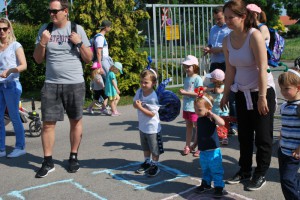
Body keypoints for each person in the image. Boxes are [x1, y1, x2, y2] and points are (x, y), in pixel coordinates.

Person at [220, 0, 276, 191]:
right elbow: (229, 70)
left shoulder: (255, 35)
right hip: (241, 93)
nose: (227, 21)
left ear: (243, 16)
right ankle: (244, 170)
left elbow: (262, 68)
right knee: (244, 136)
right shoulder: (226, 40)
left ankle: (260, 173)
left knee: (262, 137)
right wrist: (226, 95)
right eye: (225, 17)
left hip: (262, 92)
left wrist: (261, 96)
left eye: (230, 17)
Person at [33, 0, 93, 178]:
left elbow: (89, 58)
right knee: (48, 124)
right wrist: (42, 43)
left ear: (65, 11)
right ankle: (47, 161)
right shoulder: (45, 29)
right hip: (51, 83)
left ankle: (73, 157)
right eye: (49, 11)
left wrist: (79, 42)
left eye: (54, 11)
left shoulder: (77, 28)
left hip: (74, 83)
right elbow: (37, 59)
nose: (51, 14)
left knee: (75, 121)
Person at [0, 18, 27, 158]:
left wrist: (10, 71)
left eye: (4, 28)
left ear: (9, 29)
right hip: (0, 86)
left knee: (14, 116)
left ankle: (20, 146)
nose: (2, 31)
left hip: (12, 85)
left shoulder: (16, 45)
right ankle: (1, 148)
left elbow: (24, 65)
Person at [193, 92, 225, 197]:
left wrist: (213, 115)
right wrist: (194, 144)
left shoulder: (211, 118)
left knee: (216, 170)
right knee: (205, 169)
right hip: (203, 151)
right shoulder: (199, 119)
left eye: (199, 110)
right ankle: (206, 184)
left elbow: (222, 123)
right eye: (195, 109)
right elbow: (198, 133)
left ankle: (219, 187)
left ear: (208, 108)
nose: (196, 112)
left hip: (213, 151)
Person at [133, 68, 163, 177]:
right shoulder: (139, 92)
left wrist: (140, 107)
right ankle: (147, 162)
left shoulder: (153, 97)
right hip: (142, 126)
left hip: (152, 128)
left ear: (153, 83)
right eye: (141, 81)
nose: (143, 84)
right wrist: (136, 104)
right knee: (145, 146)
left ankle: (155, 164)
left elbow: (152, 114)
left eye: (146, 82)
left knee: (154, 148)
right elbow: (134, 104)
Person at [277, 67, 300, 200]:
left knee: (287, 180)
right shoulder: (284, 106)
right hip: (283, 149)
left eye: (287, 89)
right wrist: (281, 137)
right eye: (281, 88)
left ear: (298, 88)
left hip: (294, 152)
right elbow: (286, 124)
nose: (283, 92)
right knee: (287, 179)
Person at [179, 55, 203, 157]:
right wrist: (184, 93)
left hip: (195, 108)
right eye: (185, 66)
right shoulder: (187, 78)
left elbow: (200, 93)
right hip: (186, 107)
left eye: (189, 66)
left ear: (195, 66)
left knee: (198, 127)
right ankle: (188, 146)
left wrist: (185, 93)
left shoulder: (197, 78)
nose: (186, 68)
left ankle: (200, 147)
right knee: (188, 126)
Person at [204, 69, 236, 145]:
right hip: (214, 109)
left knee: (223, 125)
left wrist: (210, 89)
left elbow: (218, 91)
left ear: (216, 79)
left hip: (223, 109)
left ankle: (224, 137)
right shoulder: (211, 85)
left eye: (211, 77)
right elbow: (204, 89)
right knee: (214, 124)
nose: (209, 78)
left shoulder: (223, 85)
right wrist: (209, 89)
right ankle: (215, 136)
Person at [203, 6, 231, 73]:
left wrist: (219, 50)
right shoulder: (213, 28)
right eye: (215, 19)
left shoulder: (230, 28)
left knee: (226, 83)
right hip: (214, 62)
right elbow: (210, 44)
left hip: (226, 62)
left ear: (225, 16)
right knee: (211, 83)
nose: (217, 21)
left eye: (219, 19)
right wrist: (207, 48)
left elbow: (232, 46)